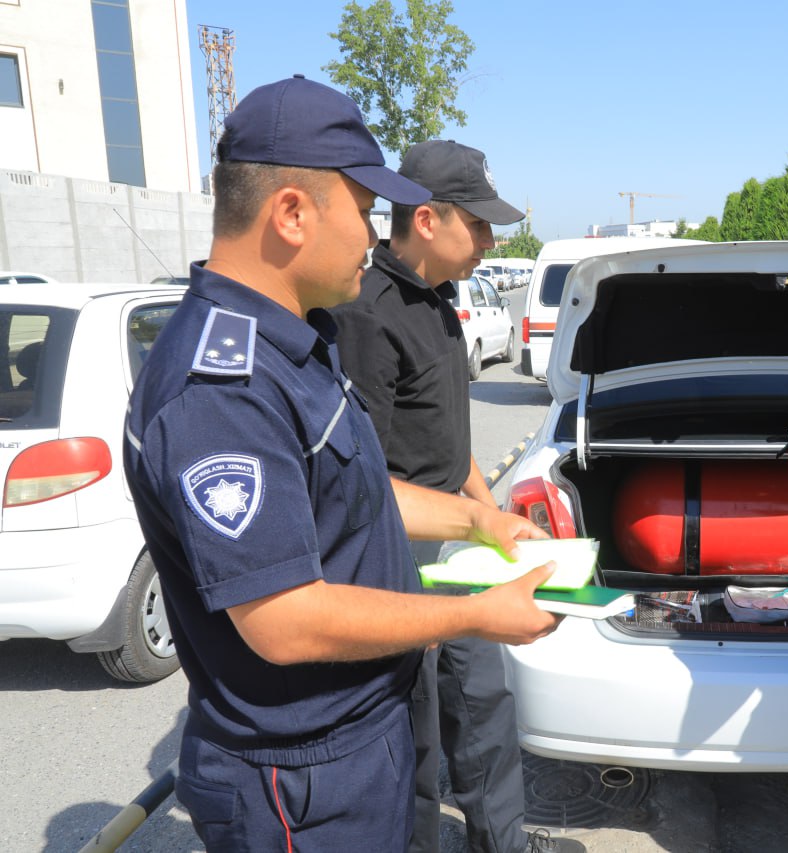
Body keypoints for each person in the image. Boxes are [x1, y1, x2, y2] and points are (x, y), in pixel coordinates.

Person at [121, 76, 561, 852]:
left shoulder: (290, 342)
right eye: (362, 210)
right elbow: (283, 620)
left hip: (355, 744)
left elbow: (353, 489)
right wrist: (471, 613)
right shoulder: (221, 388)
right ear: (292, 213)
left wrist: (477, 519)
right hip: (301, 784)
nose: (371, 234)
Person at [330, 140, 564, 853]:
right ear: (427, 220)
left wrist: (488, 512)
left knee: (485, 705)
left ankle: (504, 844)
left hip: (458, 535)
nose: (491, 241)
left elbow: (447, 436)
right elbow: (359, 478)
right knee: (417, 731)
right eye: (480, 224)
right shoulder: (367, 314)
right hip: (401, 550)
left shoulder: (437, 301)